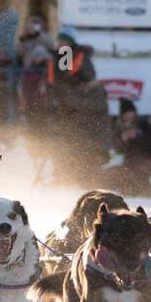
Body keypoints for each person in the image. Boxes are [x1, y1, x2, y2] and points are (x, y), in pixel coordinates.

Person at [42, 27, 111, 184]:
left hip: (83, 121)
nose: (60, 44)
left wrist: (68, 95)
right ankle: (66, 176)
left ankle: (73, 177)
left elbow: (64, 81)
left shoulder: (66, 55)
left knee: (75, 144)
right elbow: (59, 83)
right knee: (66, 142)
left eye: (64, 41)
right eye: (59, 41)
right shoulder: (62, 56)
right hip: (69, 115)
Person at [101, 100, 151, 196]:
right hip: (129, 162)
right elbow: (118, 150)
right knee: (115, 174)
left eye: (130, 112)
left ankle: (145, 189)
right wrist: (122, 140)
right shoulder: (119, 129)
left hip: (146, 160)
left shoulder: (144, 125)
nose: (128, 115)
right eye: (126, 113)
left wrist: (137, 137)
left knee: (135, 172)